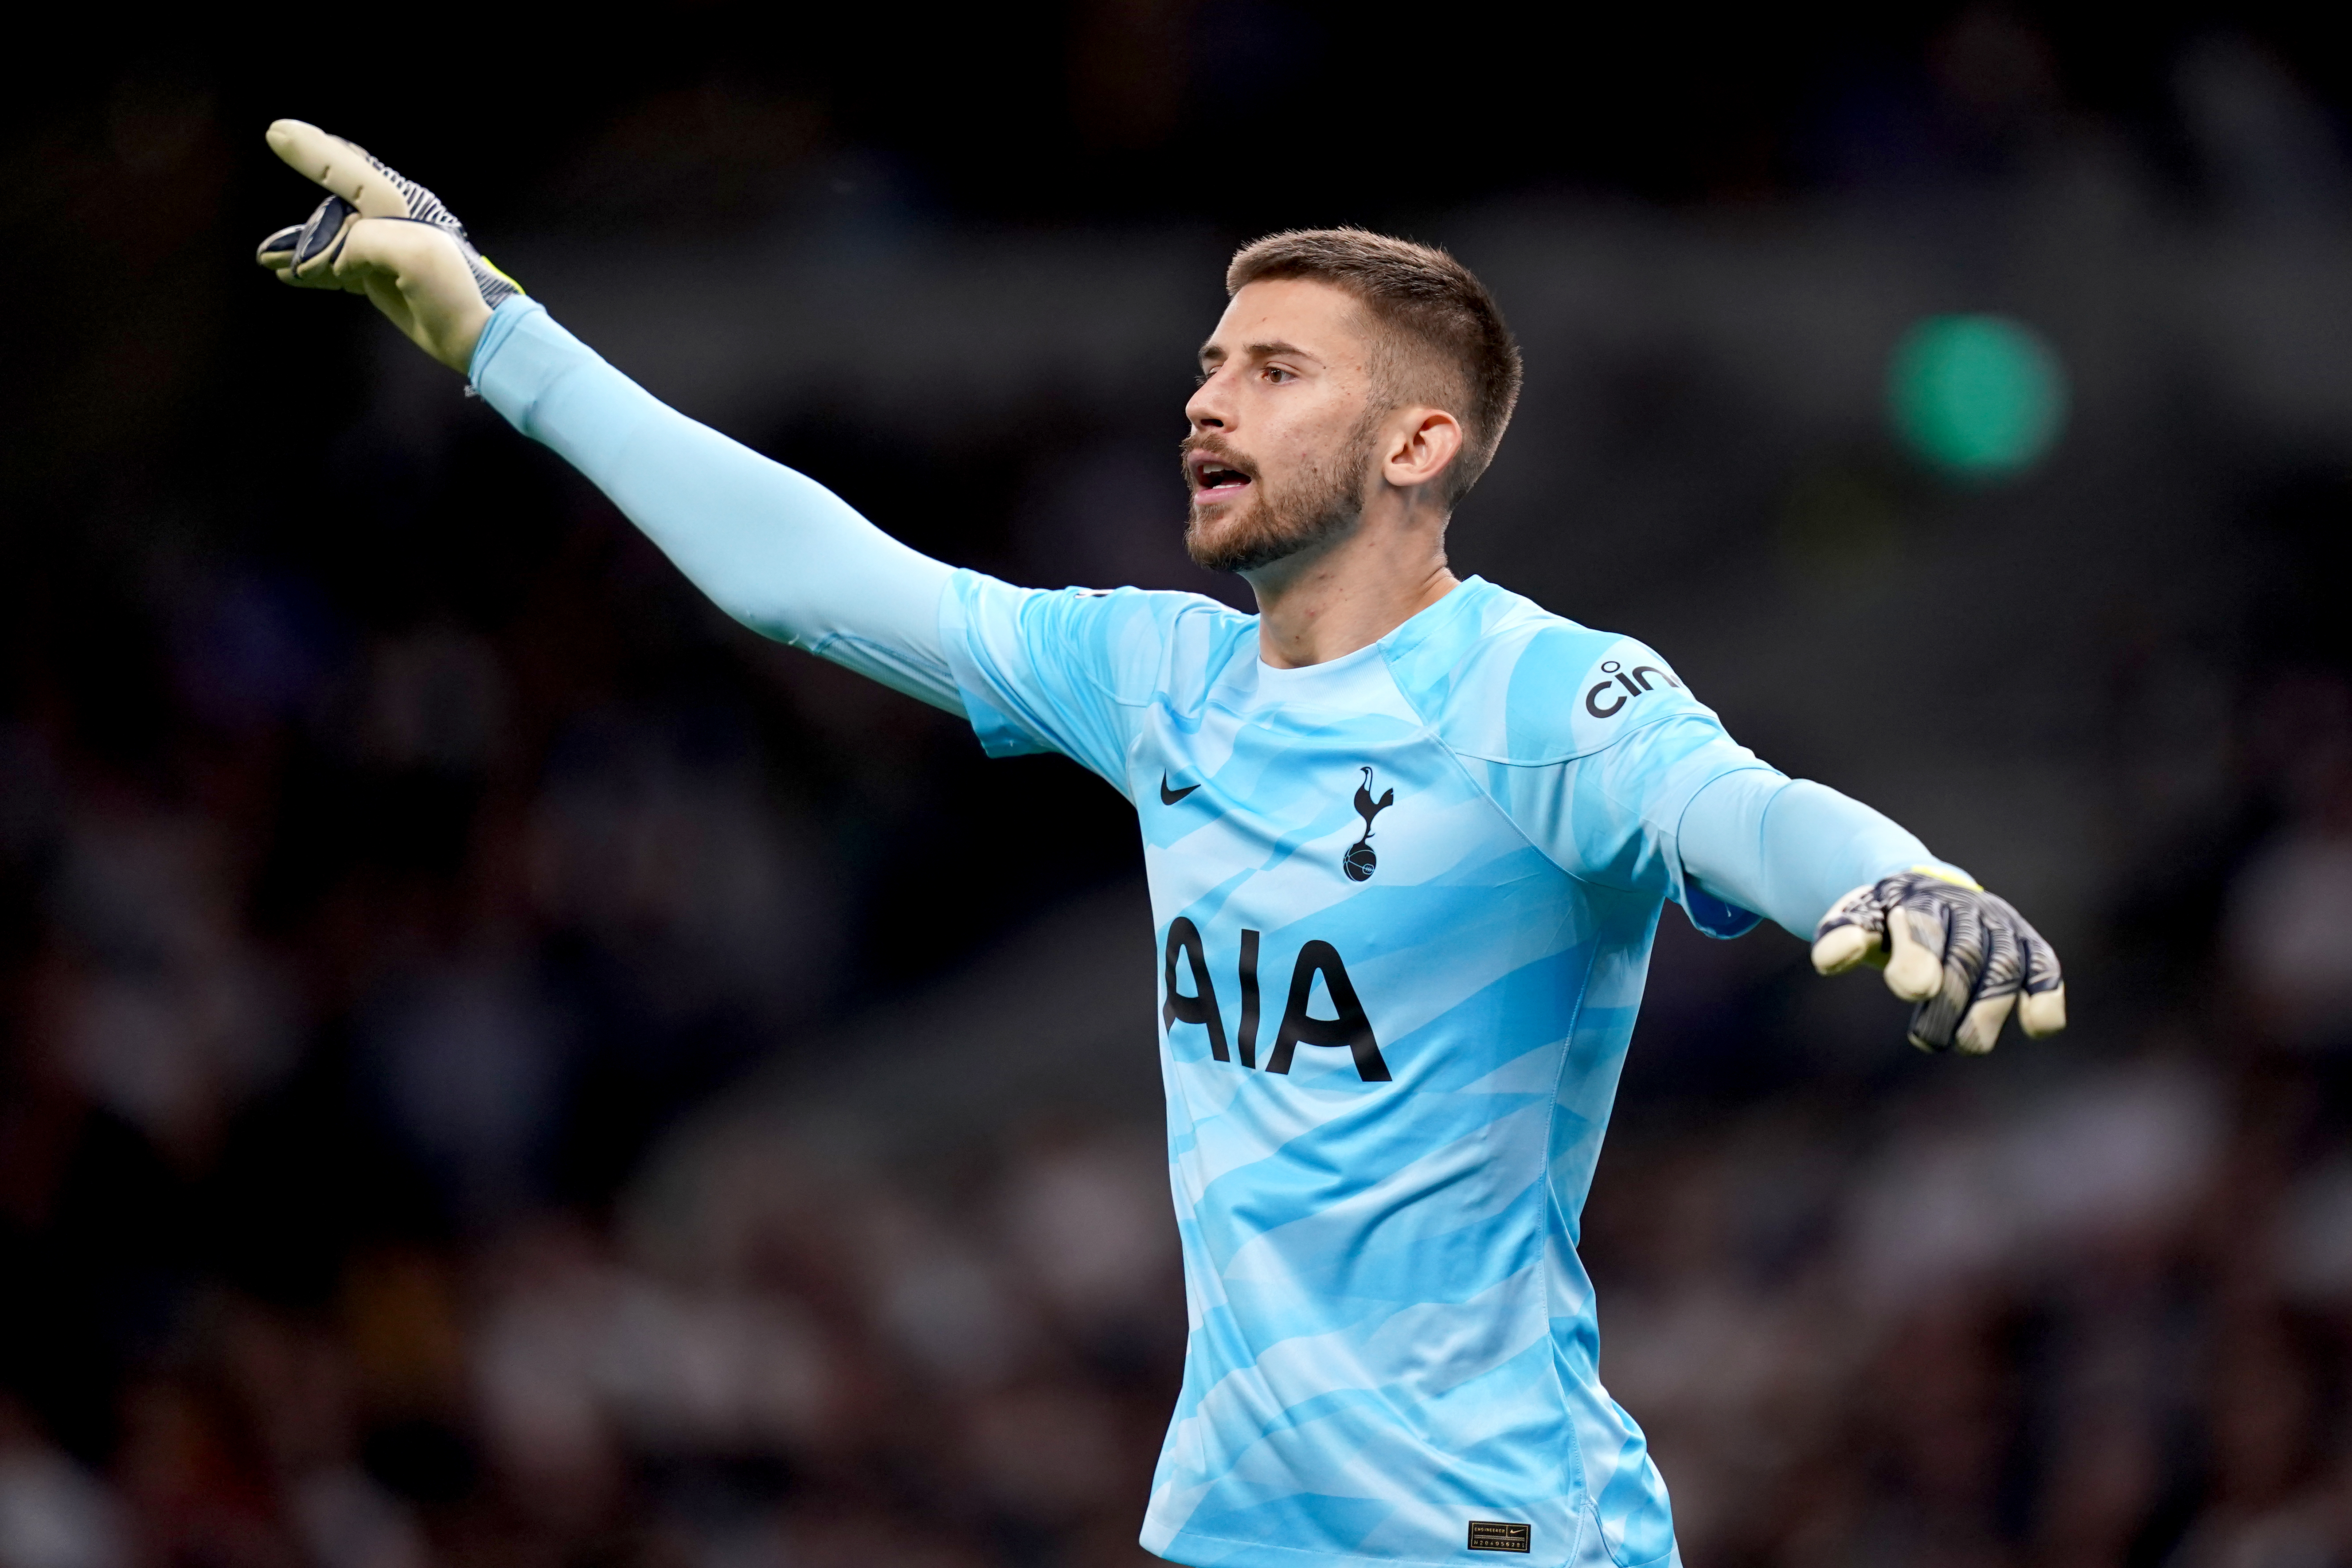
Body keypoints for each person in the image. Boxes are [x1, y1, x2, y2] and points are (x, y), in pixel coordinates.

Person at [254, 121, 2066, 1568]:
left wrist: (1901, 881)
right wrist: (498, 333)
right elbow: (810, 578)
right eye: (1209, 363)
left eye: (1275, 372)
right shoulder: (1159, 679)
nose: (1205, 401)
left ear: (1419, 440)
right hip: (1235, 1521)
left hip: (1495, 1531)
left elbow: (1731, 806)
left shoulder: (1536, 697)